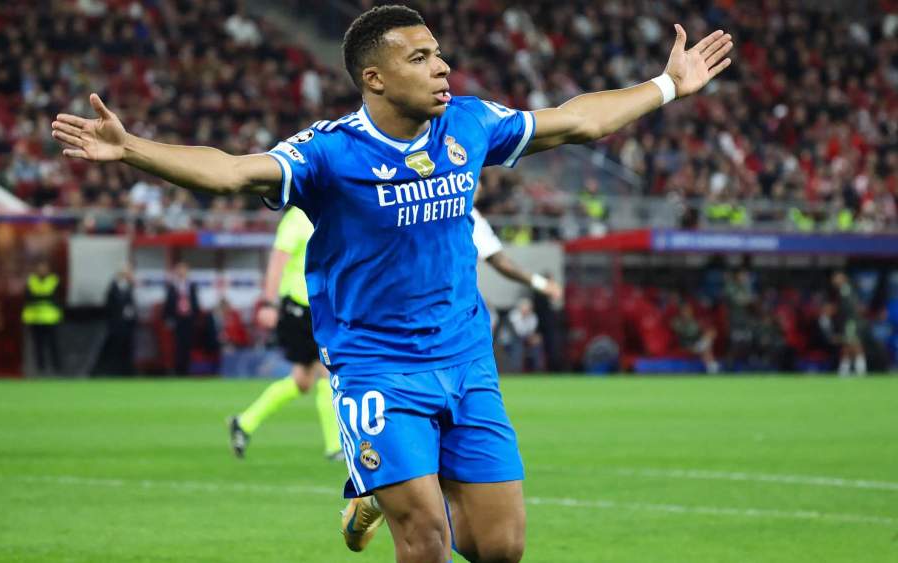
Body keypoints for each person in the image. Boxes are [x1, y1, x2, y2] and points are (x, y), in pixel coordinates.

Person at [51, 5, 732, 560]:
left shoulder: (468, 122)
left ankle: (378, 485)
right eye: (421, 58)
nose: (442, 67)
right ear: (374, 78)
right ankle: (384, 483)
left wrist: (668, 85)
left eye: (439, 54)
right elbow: (232, 170)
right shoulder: (328, 153)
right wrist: (131, 147)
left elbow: (578, 120)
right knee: (427, 540)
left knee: (502, 546)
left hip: (466, 358)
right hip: (377, 365)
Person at [228, 206, 343, 462]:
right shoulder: (297, 218)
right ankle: (335, 447)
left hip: (318, 307)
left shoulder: (324, 214)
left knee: (302, 381)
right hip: (299, 309)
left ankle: (244, 423)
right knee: (327, 372)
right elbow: (277, 261)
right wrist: (268, 303)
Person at [22, 260, 62, 374]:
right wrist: (44, 297)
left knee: (53, 345)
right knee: (38, 346)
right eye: (40, 267)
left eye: (44, 267)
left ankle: (57, 369)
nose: (42, 270)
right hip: (34, 318)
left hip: (50, 318)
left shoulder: (53, 280)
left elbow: (55, 297)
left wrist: (39, 297)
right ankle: (40, 369)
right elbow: (28, 297)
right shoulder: (31, 280)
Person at [163, 261, 199, 375]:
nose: (182, 272)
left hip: (188, 319)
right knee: (177, 345)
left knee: (187, 344)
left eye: (184, 270)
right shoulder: (172, 286)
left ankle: (187, 369)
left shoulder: (192, 286)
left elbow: (195, 303)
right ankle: (178, 369)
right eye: (179, 270)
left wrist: (195, 317)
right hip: (177, 319)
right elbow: (168, 303)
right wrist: (168, 318)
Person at [101, 262, 137, 375]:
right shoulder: (113, 286)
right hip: (116, 323)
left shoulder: (130, 286)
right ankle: (115, 371)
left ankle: (128, 371)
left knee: (128, 347)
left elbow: (132, 304)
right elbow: (109, 306)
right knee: (116, 347)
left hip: (128, 323)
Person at [832, 271, 867, 376]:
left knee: (854, 344)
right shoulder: (844, 290)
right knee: (847, 345)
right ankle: (846, 370)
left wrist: (838, 312)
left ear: (843, 279)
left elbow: (850, 308)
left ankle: (859, 370)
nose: (834, 280)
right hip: (850, 321)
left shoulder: (845, 290)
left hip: (851, 322)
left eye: (837, 278)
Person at [669, 302, 719, 374]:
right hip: (686, 345)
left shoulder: (697, 321)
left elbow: (712, 332)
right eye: (685, 311)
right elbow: (677, 329)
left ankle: (712, 367)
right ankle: (713, 368)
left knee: (707, 344)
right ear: (681, 312)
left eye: (689, 310)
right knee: (705, 348)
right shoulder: (678, 321)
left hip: (697, 344)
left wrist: (706, 336)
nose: (687, 312)